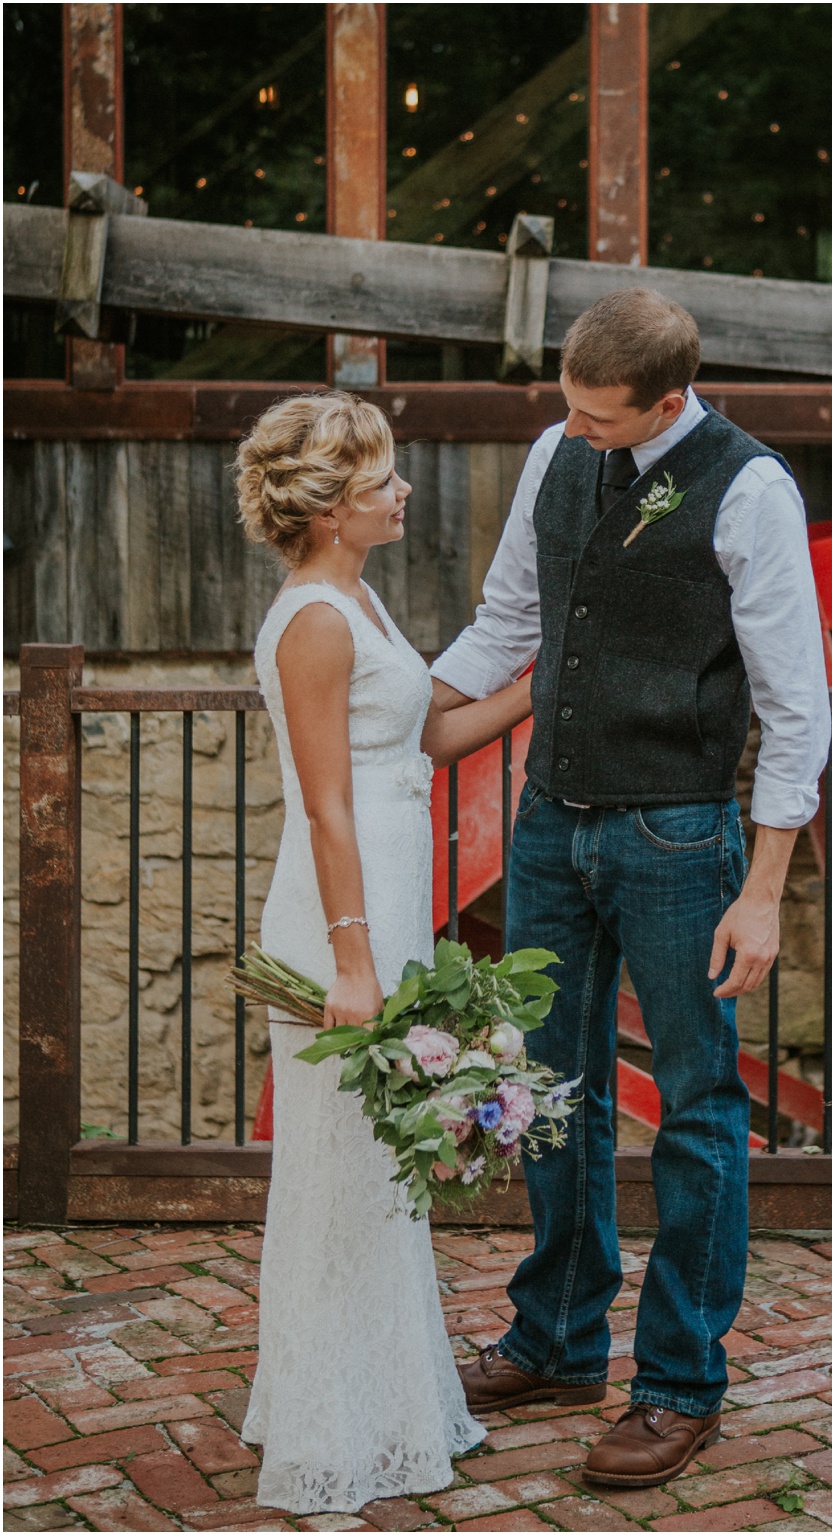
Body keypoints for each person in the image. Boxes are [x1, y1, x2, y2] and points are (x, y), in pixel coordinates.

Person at [426, 287, 832, 1487]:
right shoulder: (558, 449)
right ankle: (554, 1338)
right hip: (551, 822)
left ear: (667, 399)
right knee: (550, 1086)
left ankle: (677, 1383)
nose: (576, 429)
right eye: (569, 406)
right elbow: (511, 618)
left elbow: (794, 701)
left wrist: (761, 887)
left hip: (678, 834)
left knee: (701, 1107)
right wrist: (399, 712)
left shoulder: (750, 486)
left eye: (601, 417)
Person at [236, 391, 535, 1514]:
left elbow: (424, 740)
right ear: (326, 510)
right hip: (335, 919)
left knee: (377, 1173)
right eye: (379, 483)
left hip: (383, 912)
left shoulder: (355, 597)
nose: (400, 491)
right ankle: (326, 1429)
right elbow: (326, 808)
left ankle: (385, 1399)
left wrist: (527, 691)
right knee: (338, 1173)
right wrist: (354, 964)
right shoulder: (313, 618)